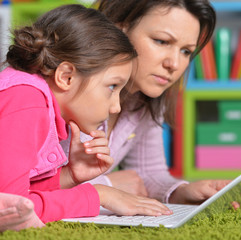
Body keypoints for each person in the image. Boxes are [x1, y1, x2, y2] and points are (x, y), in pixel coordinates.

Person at [62, 0, 241, 207]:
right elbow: (32, 182)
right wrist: (107, 186)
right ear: (117, 30)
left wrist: (181, 192)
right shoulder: (70, 89)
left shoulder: (143, 99)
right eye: (162, 41)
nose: (174, 64)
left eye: (186, 51)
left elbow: (148, 172)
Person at [0, 4, 171, 231]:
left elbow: (20, 195)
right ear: (66, 77)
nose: (116, 107)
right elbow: (11, 211)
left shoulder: (34, 100)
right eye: (112, 86)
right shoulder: (26, 100)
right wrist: (97, 195)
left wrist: (70, 176)